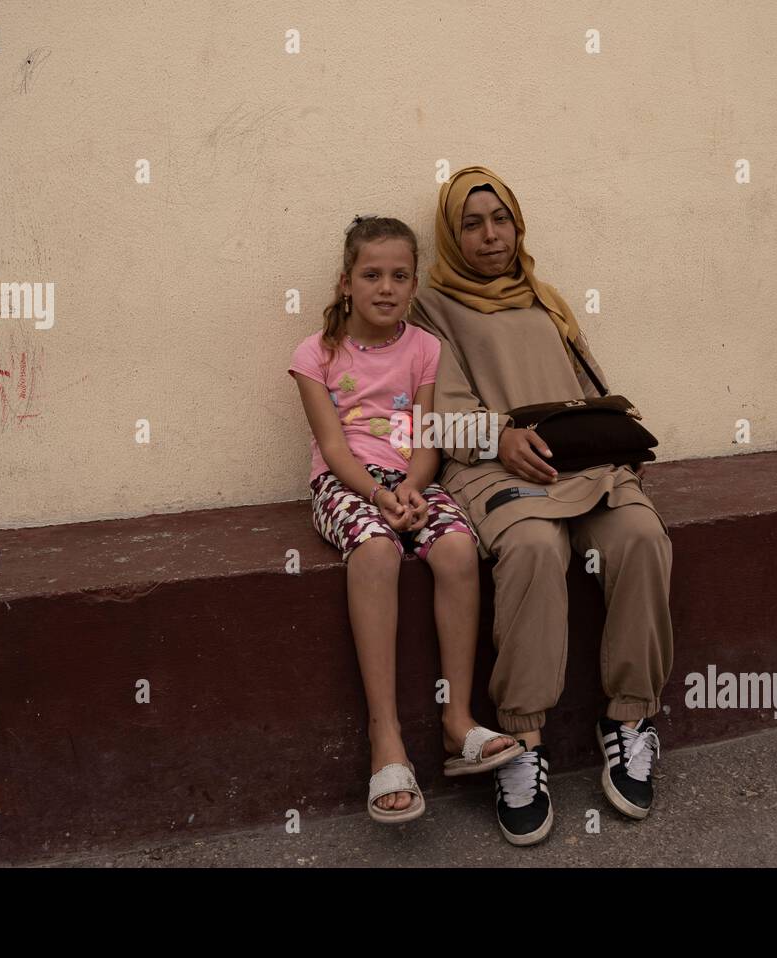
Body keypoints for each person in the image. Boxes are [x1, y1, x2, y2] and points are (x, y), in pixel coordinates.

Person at [408, 167, 676, 846]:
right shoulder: (433, 306)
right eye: (472, 223)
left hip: (573, 461)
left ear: (518, 224)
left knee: (641, 534)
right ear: (451, 232)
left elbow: (589, 387)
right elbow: (439, 419)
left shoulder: (545, 297)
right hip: (492, 465)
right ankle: (522, 738)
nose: (490, 234)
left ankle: (628, 718)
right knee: (533, 549)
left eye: (501, 219)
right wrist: (500, 434)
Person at [287, 214, 522, 824]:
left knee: (456, 550)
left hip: (410, 480)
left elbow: (423, 435)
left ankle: (457, 720)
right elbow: (335, 449)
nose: (385, 288)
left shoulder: (425, 347)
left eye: (398, 276)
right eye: (371, 275)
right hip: (345, 484)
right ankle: (385, 737)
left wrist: (415, 488)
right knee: (375, 550)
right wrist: (379, 495)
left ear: (414, 285)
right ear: (345, 282)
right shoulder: (315, 355)